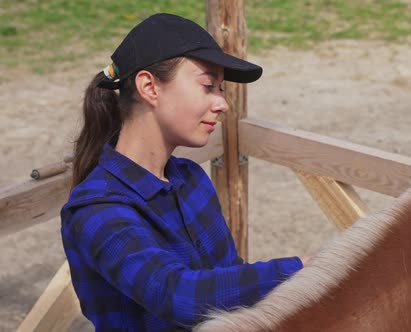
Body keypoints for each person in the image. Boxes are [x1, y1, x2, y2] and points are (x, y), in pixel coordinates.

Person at [61, 13, 307, 332]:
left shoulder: (191, 179)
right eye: (208, 86)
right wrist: (301, 270)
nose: (223, 104)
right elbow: (176, 294)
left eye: (221, 88)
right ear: (150, 87)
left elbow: (229, 277)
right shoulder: (97, 209)